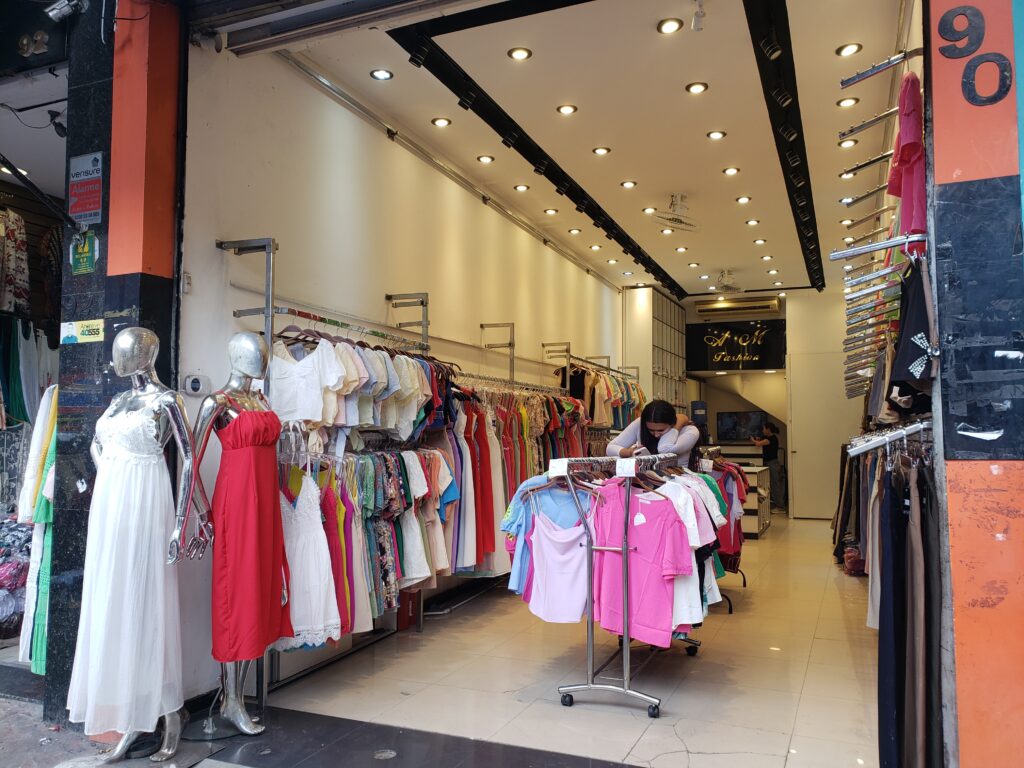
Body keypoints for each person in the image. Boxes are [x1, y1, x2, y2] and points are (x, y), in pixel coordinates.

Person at [607, 399, 701, 468]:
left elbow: (664, 449)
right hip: (645, 481)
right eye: (651, 430)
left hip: (677, 482)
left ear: (673, 423)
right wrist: (628, 452)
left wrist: (677, 425)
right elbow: (610, 447)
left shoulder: (690, 431)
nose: (656, 435)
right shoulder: (640, 423)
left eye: (661, 430)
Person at [751, 421, 785, 509]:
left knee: (775, 484)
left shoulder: (772, 439)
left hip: (772, 463)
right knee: (770, 484)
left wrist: (753, 440)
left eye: (764, 428)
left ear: (768, 429)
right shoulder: (767, 437)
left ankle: (780, 506)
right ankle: (775, 503)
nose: (762, 430)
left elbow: (758, 444)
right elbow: (761, 440)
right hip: (769, 463)